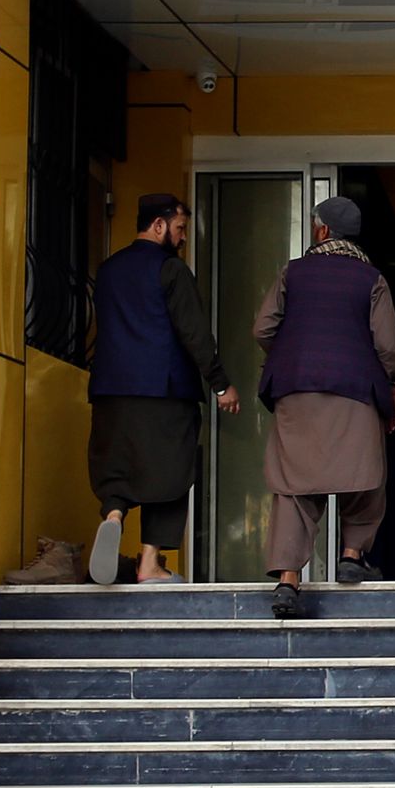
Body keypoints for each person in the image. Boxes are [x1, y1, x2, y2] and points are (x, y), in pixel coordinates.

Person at [250, 193, 395, 621]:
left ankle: (288, 580)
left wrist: (289, 351)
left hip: (295, 390)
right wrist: (392, 384)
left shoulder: (293, 273)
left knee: (293, 486)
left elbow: (263, 326)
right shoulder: (371, 279)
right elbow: (389, 350)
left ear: (320, 231)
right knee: (367, 474)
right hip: (355, 391)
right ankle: (352, 556)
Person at [82, 191, 238, 586]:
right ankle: (150, 563)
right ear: (159, 225)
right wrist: (220, 385)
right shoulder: (171, 270)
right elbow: (195, 333)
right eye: (181, 228)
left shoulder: (108, 270)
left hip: (110, 390)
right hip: (164, 389)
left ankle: (114, 514)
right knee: (169, 473)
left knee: (118, 467)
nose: (184, 237)